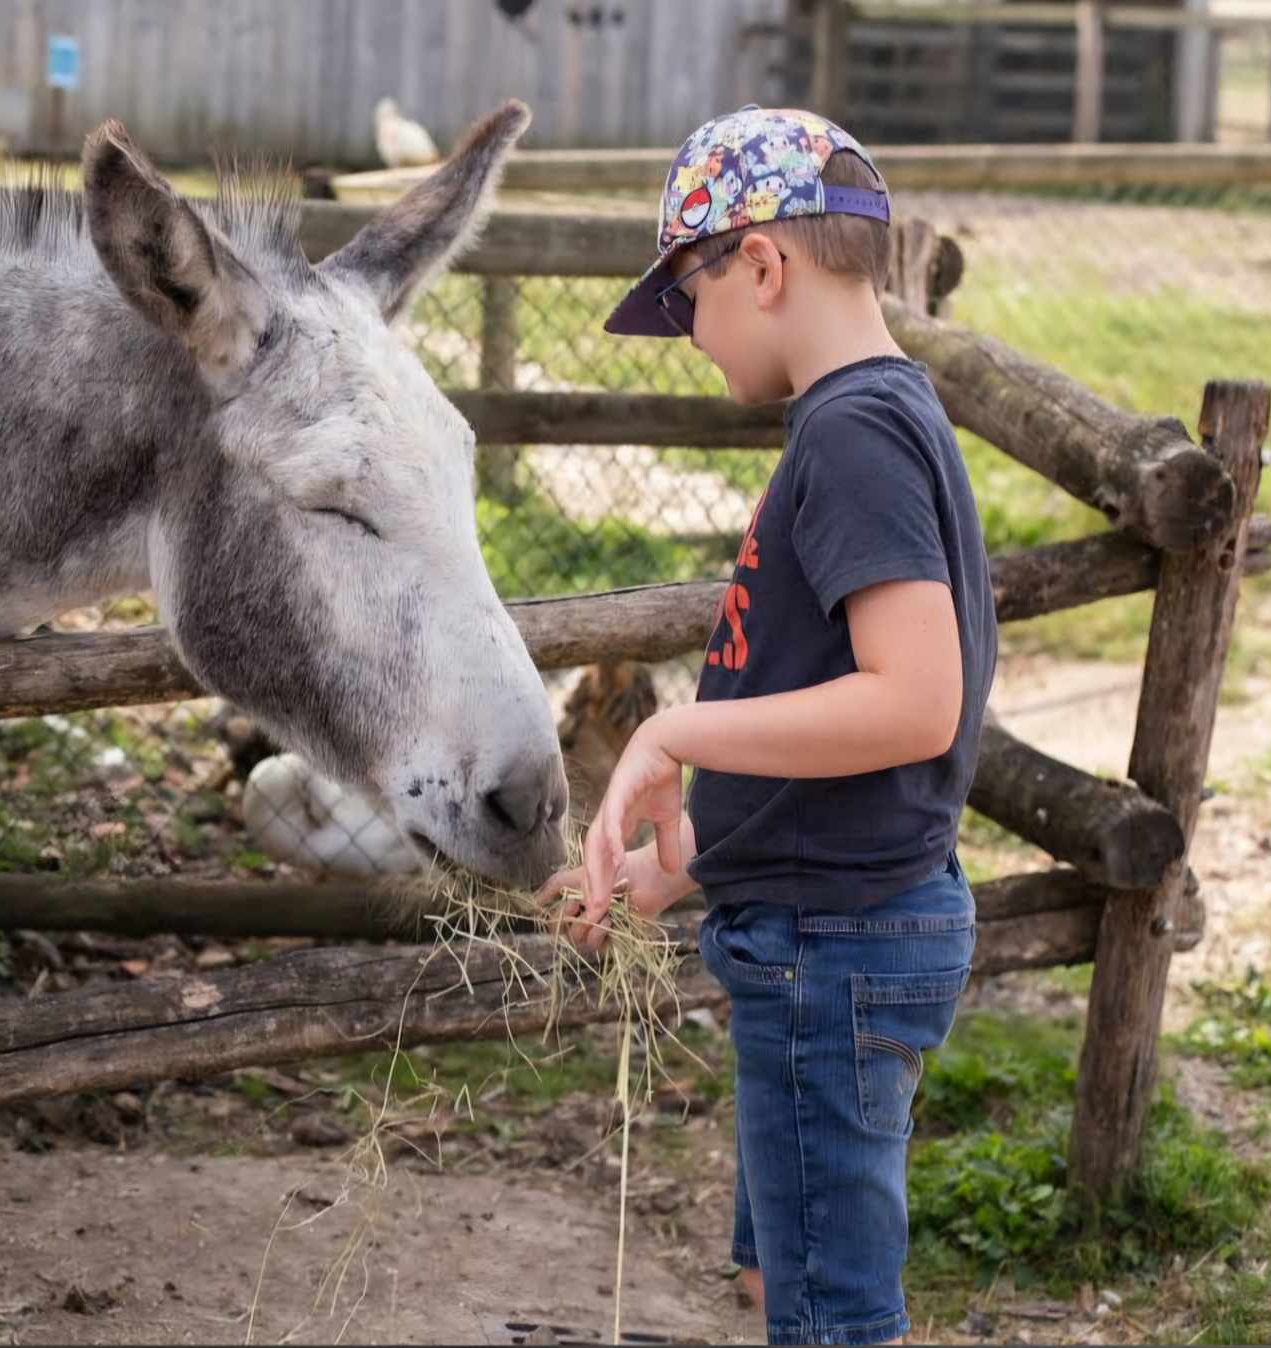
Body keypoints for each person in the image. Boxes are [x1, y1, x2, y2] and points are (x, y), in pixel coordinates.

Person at [537, 106, 999, 1346]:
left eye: (685, 298)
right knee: (781, 1276)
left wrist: (673, 737)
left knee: (830, 1316)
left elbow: (912, 702)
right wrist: (676, 865)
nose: (688, 333)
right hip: (822, 919)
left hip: (830, 948)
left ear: (759, 264)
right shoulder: (860, 420)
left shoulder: (851, 432)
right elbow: (825, 733)